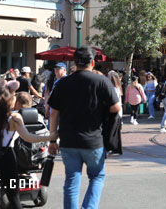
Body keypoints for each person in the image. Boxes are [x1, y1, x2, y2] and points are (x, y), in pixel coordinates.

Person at [48, 46, 121, 209]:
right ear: (93, 63)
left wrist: (53, 140)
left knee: (71, 181)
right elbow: (116, 107)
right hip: (93, 140)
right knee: (97, 177)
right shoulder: (101, 81)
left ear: (74, 62)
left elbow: (53, 113)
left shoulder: (62, 83)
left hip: (68, 140)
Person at [0, 87, 57, 209]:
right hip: (7, 158)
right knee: (13, 196)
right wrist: (49, 137)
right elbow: (28, 137)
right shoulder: (15, 118)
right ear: (9, 102)